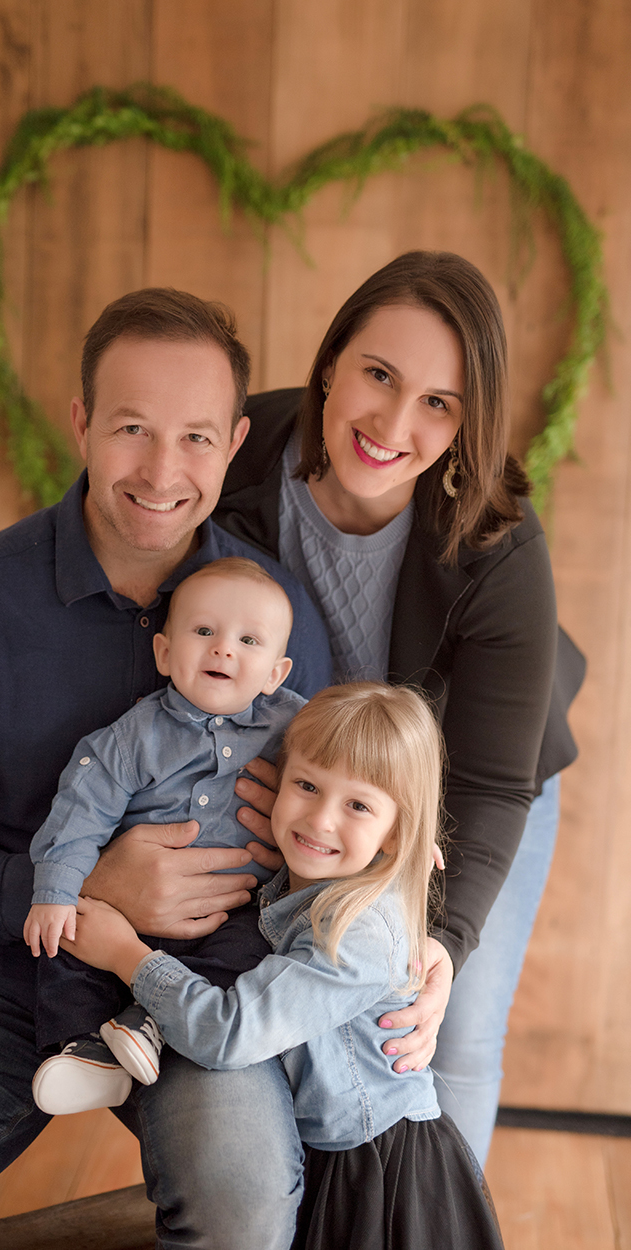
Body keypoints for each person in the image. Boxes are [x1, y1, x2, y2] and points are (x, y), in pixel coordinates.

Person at [0, 289, 333, 1250]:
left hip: (192, 978)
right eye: (132, 428)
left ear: (232, 444)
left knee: (242, 1196)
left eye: (193, 437)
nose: (161, 469)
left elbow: (343, 804)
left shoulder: (275, 618)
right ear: (82, 425)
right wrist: (88, 889)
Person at [215, 250, 586, 1166]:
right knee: (293, 1008)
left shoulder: (499, 541)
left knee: (434, 1032)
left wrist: (443, 941)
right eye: (379, 374)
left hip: (470, 790)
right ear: (332, 358)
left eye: (438, 403)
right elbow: (129, 513)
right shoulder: (241, 445)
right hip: (316, 782)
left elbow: (495, 782)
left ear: (468, 422)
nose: (391, 423)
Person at [63, 682, 505, 1250]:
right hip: (326, 1148)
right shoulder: (296, 885)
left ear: (396, 831)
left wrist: (126, 953)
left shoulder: (358, 934)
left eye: (358, 805)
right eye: (306, 785)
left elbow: (231, 1031)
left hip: (374, 1176)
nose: (320, 820)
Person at [24, 557, 303, 1112]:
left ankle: (148, 1022)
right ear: (165, 652)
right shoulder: (134, 737)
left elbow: (357, 767)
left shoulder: (299, 726)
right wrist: (54, 890)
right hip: (129, 913)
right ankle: (84, 1051)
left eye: (249, 640)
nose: (224, 648)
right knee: (68, 940)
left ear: (276, 672)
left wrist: (398, 827)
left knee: (259, 949)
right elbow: (80, 810)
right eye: (204, 631)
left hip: (236, 913)